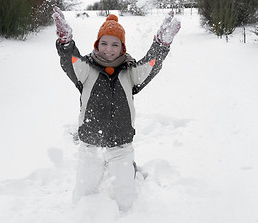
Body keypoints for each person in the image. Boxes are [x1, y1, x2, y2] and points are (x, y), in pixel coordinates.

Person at [53, 7, 181, 211]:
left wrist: (161, 44)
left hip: (121, 145)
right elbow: (70, 61)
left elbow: (150, 64)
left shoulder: (130, 72)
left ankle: (129, 173)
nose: (108, 49)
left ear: (122, 47)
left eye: (115, 44)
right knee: (84, 196)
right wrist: (66, 42)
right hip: (91, 145)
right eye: (104, 43)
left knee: (126, 201)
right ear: (97, 44)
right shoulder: (86, 69)